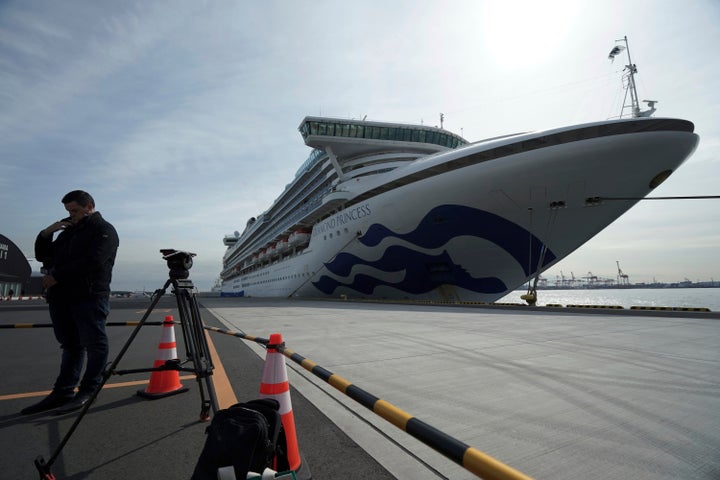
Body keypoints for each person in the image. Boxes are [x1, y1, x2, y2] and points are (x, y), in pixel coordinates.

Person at [21, 190, 119, 415]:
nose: (71, 215)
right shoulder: (68, 233)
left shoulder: (104, 230)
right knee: (71, 346)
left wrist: (58, 276)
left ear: (90, 207)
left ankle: (88, 390)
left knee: (95, 344)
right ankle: (63, 392)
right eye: (68, 211)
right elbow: (44, 257)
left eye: (75, 210)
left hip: (89, 297)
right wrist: (46, 233)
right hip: (62, 298)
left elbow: (93, 261)